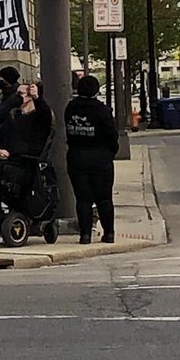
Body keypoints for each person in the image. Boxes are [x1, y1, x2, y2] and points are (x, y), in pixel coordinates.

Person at [0, 83, 53, 222]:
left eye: (21, 95)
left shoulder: (38, 119)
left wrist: (38, 98)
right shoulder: (13, 118)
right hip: (7, 160)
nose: (17, 98)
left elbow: (45, 115)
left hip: (24, 164)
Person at [64, 74, 119, 245]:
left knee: (83, 199)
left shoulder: (71, 108)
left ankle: (85, 235)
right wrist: (111, 152)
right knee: (104, 198)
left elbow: (68, 131)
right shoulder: (102, 110)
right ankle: (109, 233)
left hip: (77, 157)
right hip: (101, 158)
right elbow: (112, 135)